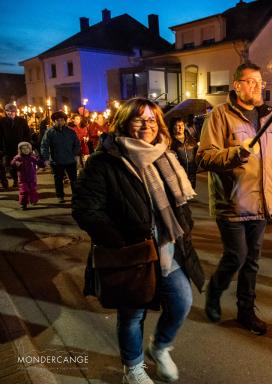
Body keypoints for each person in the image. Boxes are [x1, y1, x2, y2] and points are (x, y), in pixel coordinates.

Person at [72, 98, 203, 384]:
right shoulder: (104, 161)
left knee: (182, 302)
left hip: (169, 248)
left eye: (152, 119)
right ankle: (132, 367)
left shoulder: (165, 154)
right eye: (139, 119)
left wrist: (186, 226)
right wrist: (121, 242)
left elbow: (179, 203)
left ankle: (159, 347)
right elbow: (85, 209)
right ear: (123, 122)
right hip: (132, 253)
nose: (147, 125)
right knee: (133, 315)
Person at [197, 62, 272, 335]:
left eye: (260, 82)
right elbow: (205, 158)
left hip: (261, 203)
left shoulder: (267, 117)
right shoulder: (220, 116)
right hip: (233, 202)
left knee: (252, 261)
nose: (258, 86)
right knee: (236, 256)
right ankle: (215, 290)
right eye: (251, 81)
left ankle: (246, 311)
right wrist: (237, 154)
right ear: (237, 85)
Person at [40, 111, 81, 203]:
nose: (60, 122)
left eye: (62, 120)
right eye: (57, 120)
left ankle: (76, 196)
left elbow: (77, 144)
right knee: (58, 179)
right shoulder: (49, 132)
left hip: (70, 160)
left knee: (74, 180)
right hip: (56, 161)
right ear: (54, 121)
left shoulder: (71, 131)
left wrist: (75, 154)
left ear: (65, 121)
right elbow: (44, 146)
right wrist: (46, 158)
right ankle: (60, 196)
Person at [0, 103, 32, 188]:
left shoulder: (22, 121)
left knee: (21, 165)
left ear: (15, 111)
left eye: (12, 111)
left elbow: (27, 133)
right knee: (11, 165)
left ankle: (21, 180)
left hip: (20, 147)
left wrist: (27, 144)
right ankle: (15, 180)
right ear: (6, 112)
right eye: (8, 111)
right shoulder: (2, 121)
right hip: (8, 147)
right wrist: (1, 147)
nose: (10, 113)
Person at [10, 141, 43, 210]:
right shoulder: (18, 157)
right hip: (22, 178)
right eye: (23, 149)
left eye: (27, 148)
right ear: (20, 150)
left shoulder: (32, 157)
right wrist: (17, 163)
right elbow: (12, 163)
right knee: (24, 191)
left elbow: (38, 161)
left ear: (30, 149)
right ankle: (23, 204)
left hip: (32, 177)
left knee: (32, 190)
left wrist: (41, 162)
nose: (25, 150)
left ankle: (33, 200)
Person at [169, 117, 198, 188]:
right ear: (173, 127)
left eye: (182, 125)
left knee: (191, 191)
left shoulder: (191, 139)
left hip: (192, 174)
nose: (180, 127)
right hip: (178, 174)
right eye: (177, 125)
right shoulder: (169, 142)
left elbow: (197, 153)